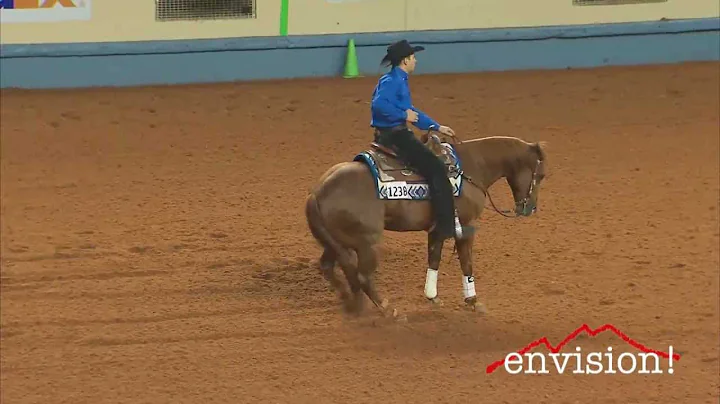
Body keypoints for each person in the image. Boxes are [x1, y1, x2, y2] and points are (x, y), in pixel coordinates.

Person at [370, 39, 474, 242]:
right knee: (436, 168)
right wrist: (402, 115)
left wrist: (436, 126)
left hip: (391, 133)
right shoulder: (393, 81)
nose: (416, 61)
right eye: (414, 57)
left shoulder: (394, 79)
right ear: (405, 60)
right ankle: (447, 227)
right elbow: (379, 105)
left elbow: (413, 112)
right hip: (397, 136)